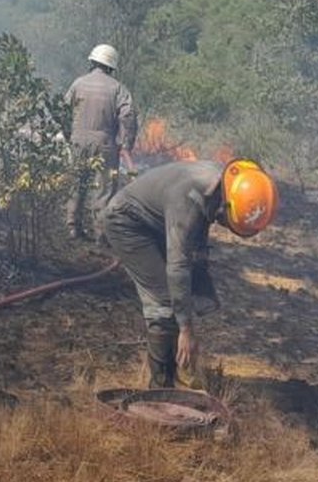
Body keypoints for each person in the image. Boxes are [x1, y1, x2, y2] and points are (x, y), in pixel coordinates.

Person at [99, 158, 277, 388]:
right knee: (163, 302)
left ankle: (177, 368)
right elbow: (178, 266)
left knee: (180, 298)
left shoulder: (221, 184)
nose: (222, 224)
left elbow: (197, 237)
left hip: (156, 221)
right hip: (127, 223)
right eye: (225, 221)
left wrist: (198, 290)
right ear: (225, 204)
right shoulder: (187, 201)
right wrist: (186, 329)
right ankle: (160, 387)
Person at [63, 43, 138, 240]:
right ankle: (101, 234)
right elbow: (128, 116)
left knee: (77, 183)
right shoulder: (117, 88)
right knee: (104, 189)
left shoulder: (78, 83)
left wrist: (69, 135)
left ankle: (72, 227)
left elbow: (62, 111)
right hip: (105, 144)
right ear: (111, 66)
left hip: (78, 142)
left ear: (92, 61)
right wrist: (126, 144)